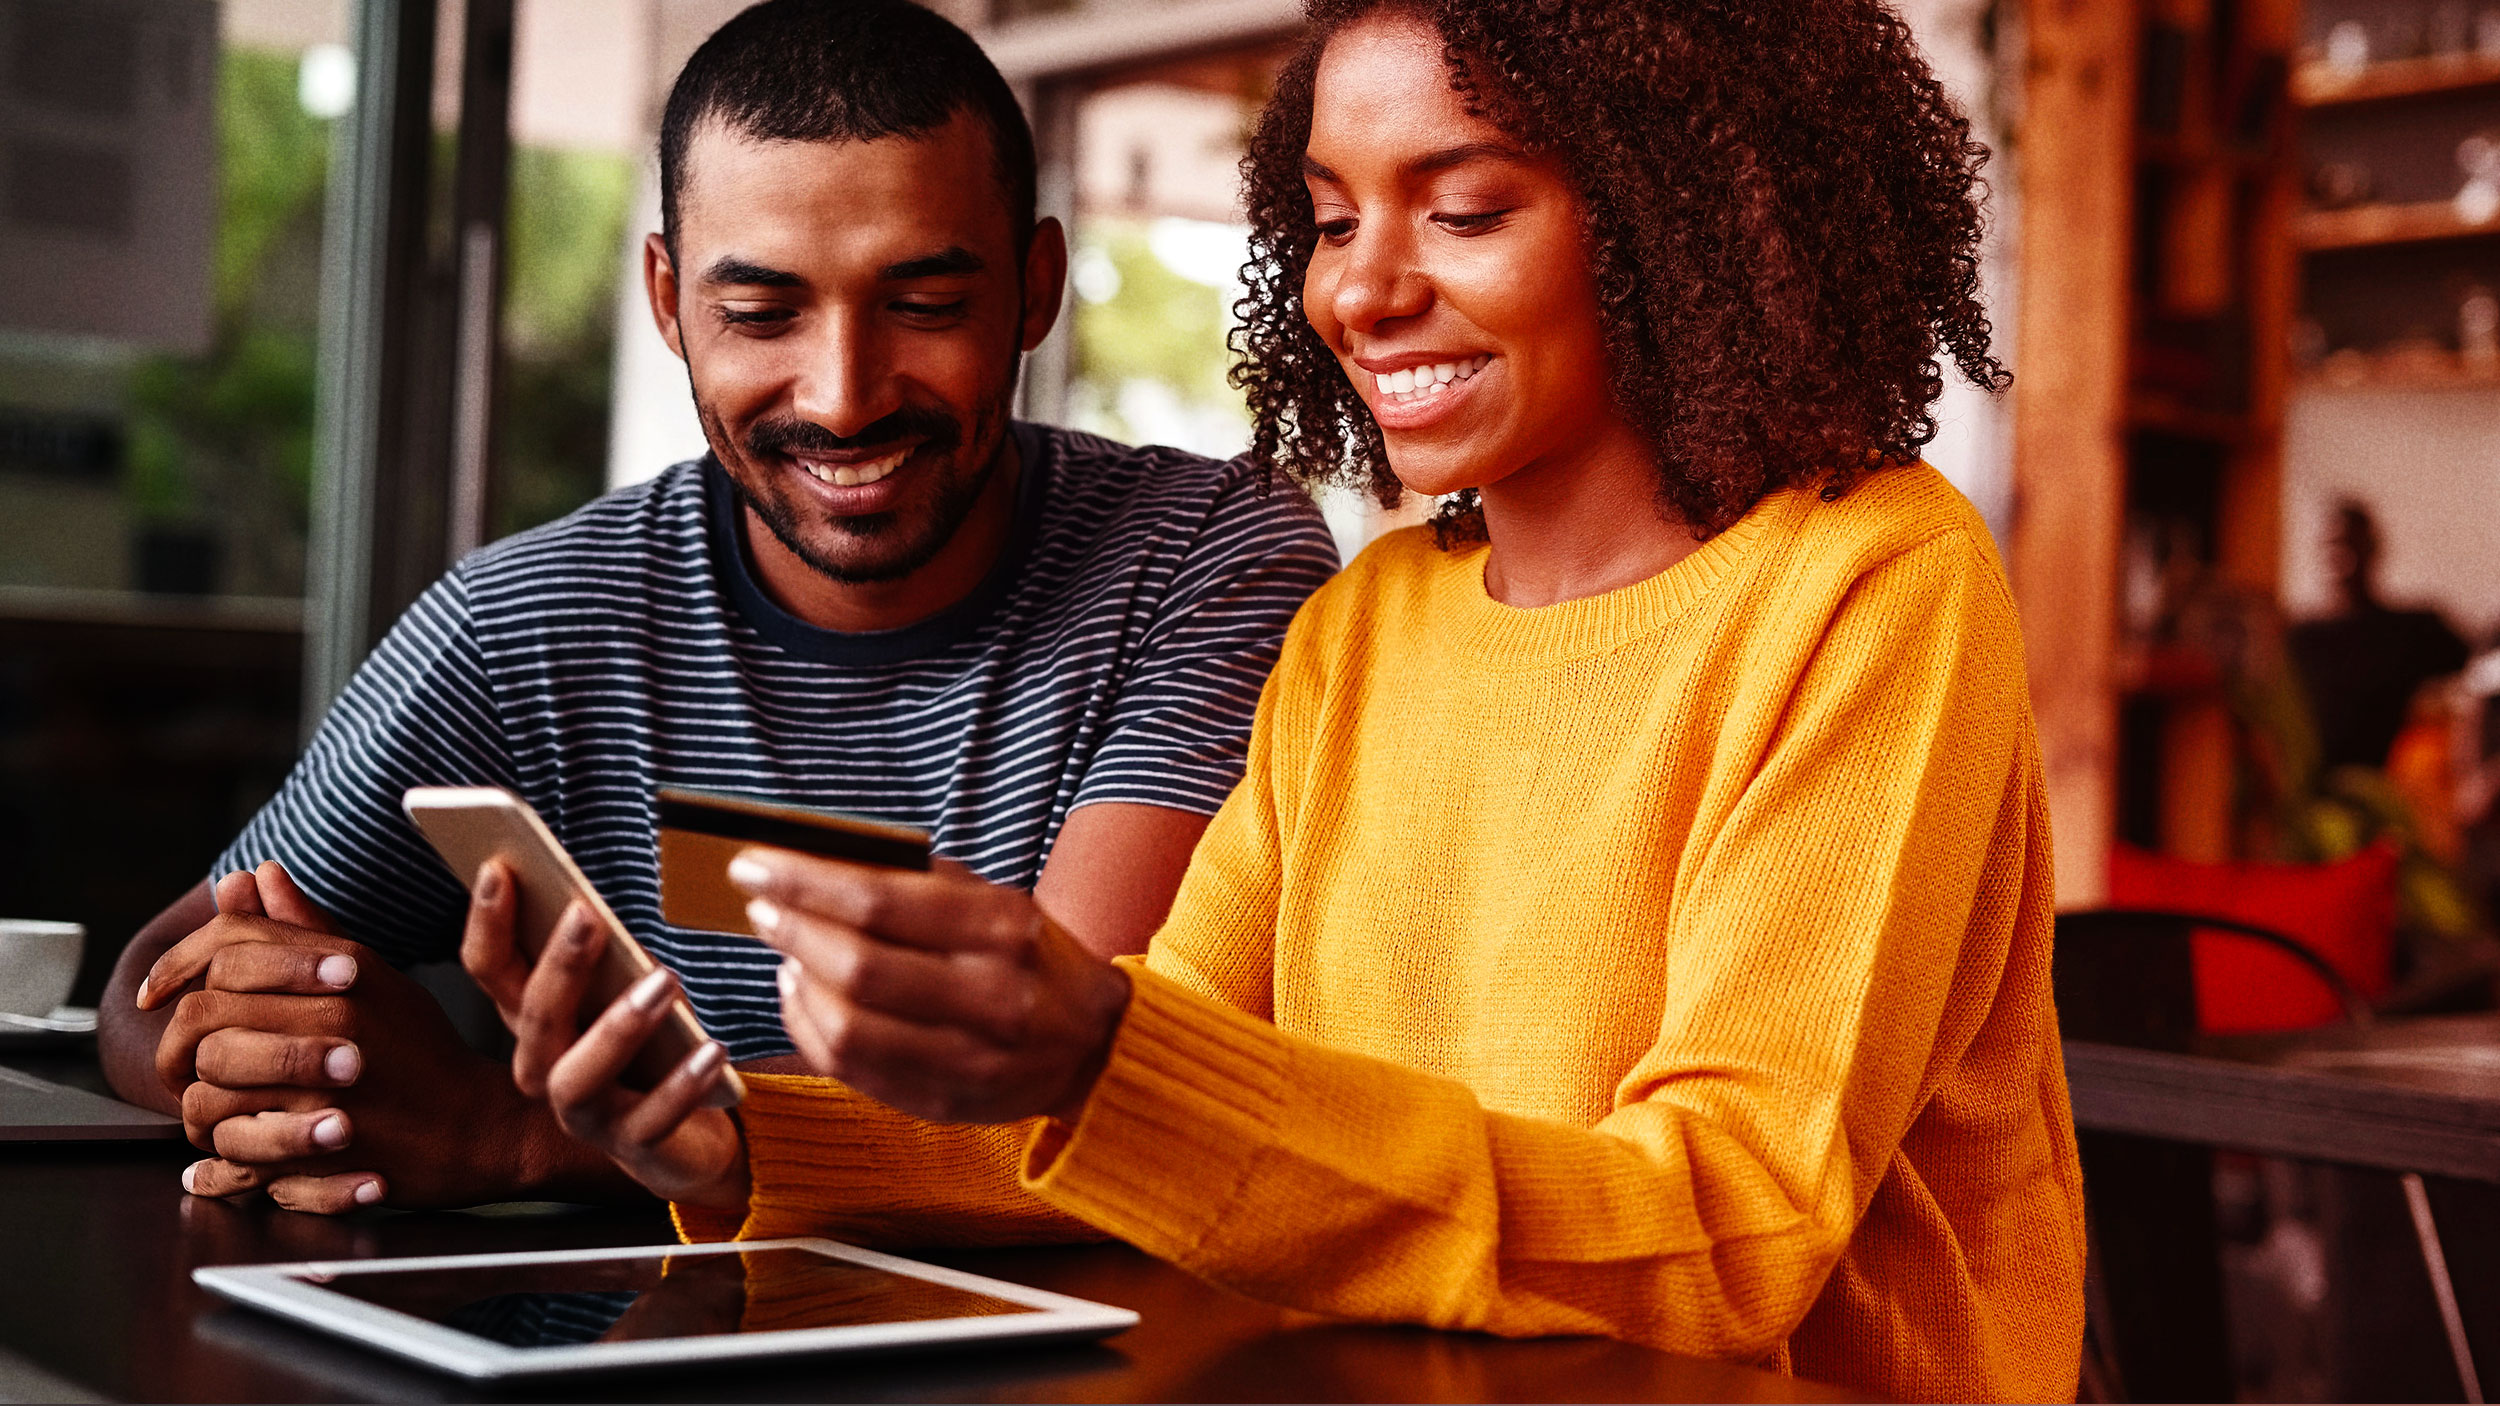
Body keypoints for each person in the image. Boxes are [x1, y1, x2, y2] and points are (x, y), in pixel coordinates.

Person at [477, 0, 2086, 1397]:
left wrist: (1106, 1056)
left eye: (1460, 213)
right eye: (1329, 220)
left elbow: (1730, 1228)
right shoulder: (1367, 625)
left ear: (1678, 218)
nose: (1363, 293)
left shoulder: (1873, 585)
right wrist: (749, 1140)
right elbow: (1165, 1107)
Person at [95, 0, 1337, 1215]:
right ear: (667, 302)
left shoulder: (1206, 559)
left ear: (1034, 287)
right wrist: (288, 1061)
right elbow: (153, 991)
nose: (844, 396)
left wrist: (508, 1134)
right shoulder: (532, 623)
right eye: (760, 312)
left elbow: (1074, 1088)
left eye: (925, 304)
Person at [2287, 499, 2470, 773]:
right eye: (2333, 544)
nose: (2343, 555)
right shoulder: (2298, 638)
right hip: (2310, 787)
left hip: (2388, 787)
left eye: (2353, 543)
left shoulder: (2411, 631)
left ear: (2372, 548)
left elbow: (2480, 666)